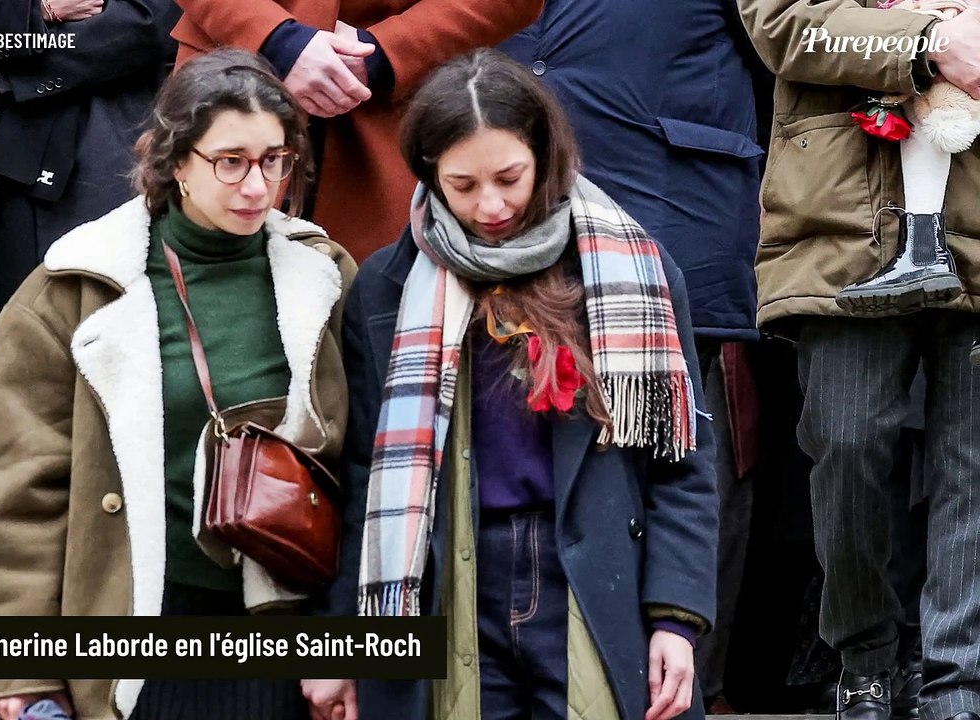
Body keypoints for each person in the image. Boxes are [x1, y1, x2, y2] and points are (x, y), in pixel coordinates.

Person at [303, 49, 719, 720]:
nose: (490, 205)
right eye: (462, 185)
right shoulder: (385, 288)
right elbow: (362, 481)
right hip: (450, 578)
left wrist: (676, 616)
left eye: (509, 177)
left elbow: (684, 462)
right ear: (428, 174)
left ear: (543, 155)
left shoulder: (630, 269)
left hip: (595, 571)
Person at [0, 48, 357, 720]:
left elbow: (363, 469)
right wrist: (22, 675)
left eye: (275, 159)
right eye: (230, 161)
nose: (258, 187)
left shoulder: (326, 277)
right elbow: (15, 496)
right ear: (174, 161)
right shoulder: (76, 289)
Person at [498, 0, 768, 708]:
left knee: (675, 455)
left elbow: (783, 39)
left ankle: (686, 676)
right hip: (498, 225)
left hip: (667, 208)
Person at [736, 2, 980, 719]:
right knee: (846, 443)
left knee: (973, 462)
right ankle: (865, 660)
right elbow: (781, 22)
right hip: (839, 226)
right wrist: (932, 39)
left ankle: (957, 683)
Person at [168, 0, 542, 263]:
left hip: (388, 107)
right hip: (232, 76)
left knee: (366, 337)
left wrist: (384, 53)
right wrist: (274, 38)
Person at [0, 0, 179, 312]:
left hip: (108, 151)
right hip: (4, 157)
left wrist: (13, 70)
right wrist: (36, 12)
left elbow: (149, 23)